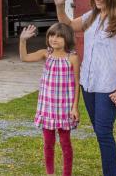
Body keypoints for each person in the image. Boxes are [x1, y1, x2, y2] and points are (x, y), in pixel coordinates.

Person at [51, 0, 116, 176]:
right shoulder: (92, 16)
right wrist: (60, 6)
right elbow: (68, 25)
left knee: (104, 132)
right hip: (89, 84)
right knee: (100, 132)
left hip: (109, 86)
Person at [19, 22, 80, 176]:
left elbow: (77, 83)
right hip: (47, 107)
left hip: (65, 107)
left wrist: (75, 107)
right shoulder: (45, 54)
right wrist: (23, 40)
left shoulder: (72, 58)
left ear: (67, 39)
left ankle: (67, 174)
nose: (55, 39)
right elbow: (24, 57)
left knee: (65, 143)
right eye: (52, 35)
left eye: (59, 36)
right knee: (48, 143)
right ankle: (50, 173)